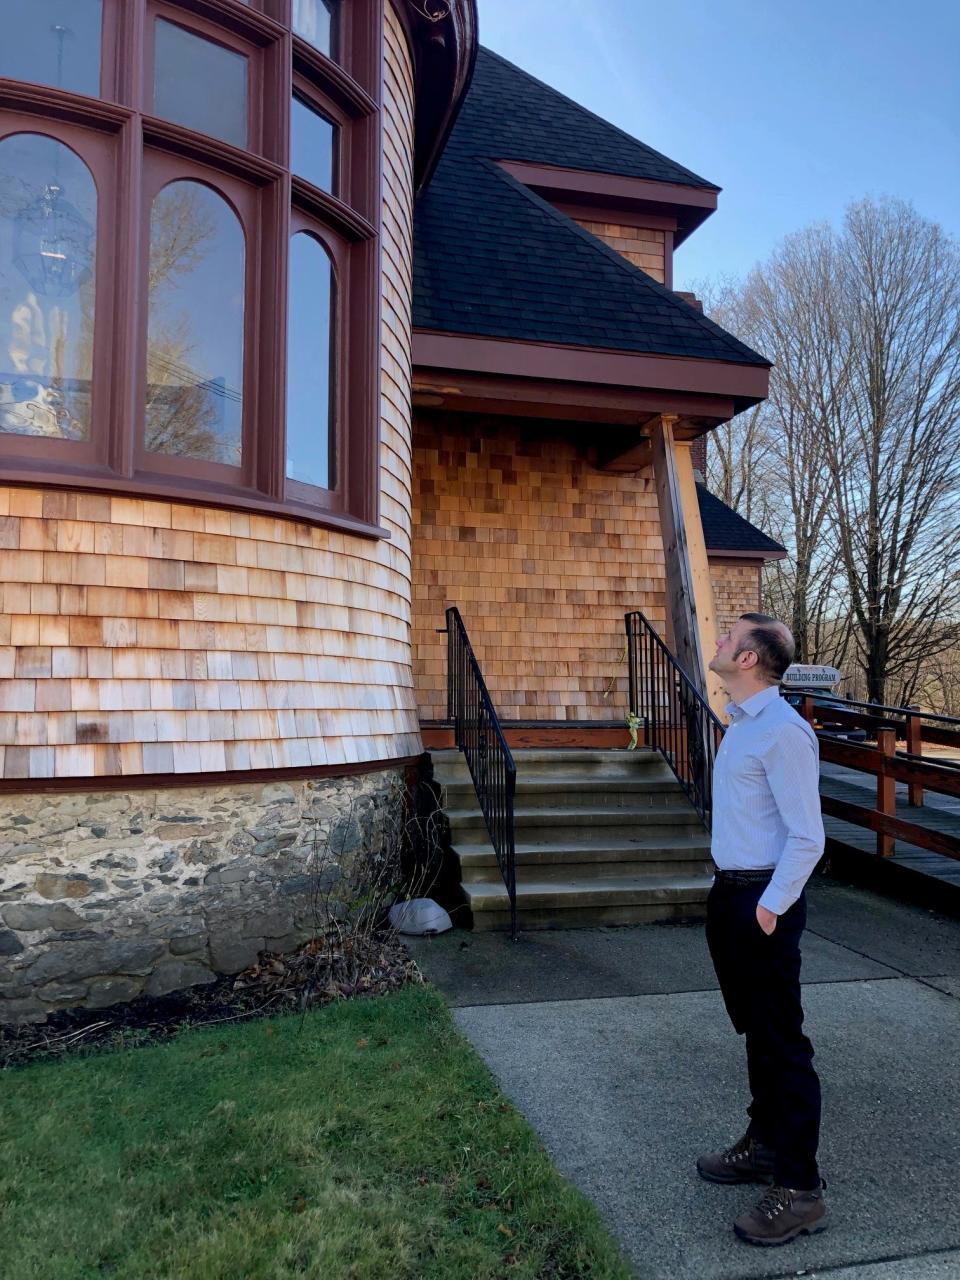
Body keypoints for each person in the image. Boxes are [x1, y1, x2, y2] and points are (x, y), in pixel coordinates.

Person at [698, 612, 828, 1246]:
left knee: (782, 1041)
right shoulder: (743, 726)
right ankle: (767, 1146)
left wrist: (769, 907)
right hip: (732, 896)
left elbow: (809, 837)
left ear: (749, 659)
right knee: (757, 1031)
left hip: (762, 903)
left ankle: (801, 1190)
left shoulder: (783, 732)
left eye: (729, 637)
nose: (719, 642)